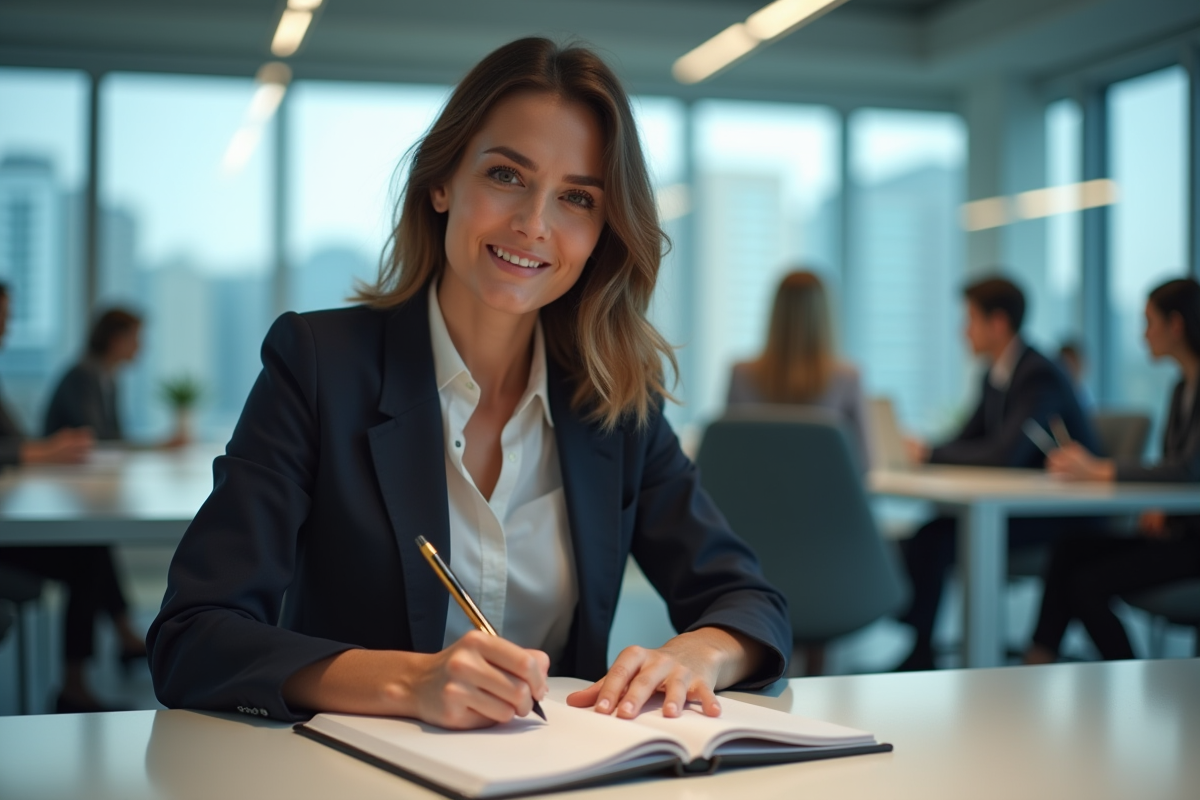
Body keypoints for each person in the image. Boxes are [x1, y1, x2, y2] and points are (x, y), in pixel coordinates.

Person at [148, 38, 790, 729]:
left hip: (555, 767)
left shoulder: (615, 402)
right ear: (442, 182)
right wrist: (409, 683)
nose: (534, 224)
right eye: (507, 175)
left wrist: (700, 652)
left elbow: (749, 601)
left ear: (603, 231)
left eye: (577, 198)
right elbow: (193, 637)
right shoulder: (319, 365)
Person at [896, 276, 1099, 671]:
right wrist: (928, 451)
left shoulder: (1038, 373)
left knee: (940, 539)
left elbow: (1006, 454)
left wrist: (933, 453)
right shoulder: (996, 374)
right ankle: (920, 648)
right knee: (930, 534)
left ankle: (931, 654)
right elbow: (968, 439)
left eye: (970, 319)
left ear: (998, 323)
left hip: (1063, 516)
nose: (963, 331)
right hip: (1018, 507)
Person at [1026, 277, 1200, 663]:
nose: (1143, 335)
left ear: (1176, 324)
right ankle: (1037, 658)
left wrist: (1099, 470)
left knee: (1086, 584)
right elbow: (1175, 466)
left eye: (1149, 322)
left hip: (1194, 544)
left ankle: (1128, 674)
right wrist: (1163, 506)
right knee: (1070, 547)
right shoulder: (1181, 388)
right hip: (1178, 533)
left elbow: (1189, 471)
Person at [0, 282, 147, 712]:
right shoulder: (85, 375)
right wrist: (39, 451)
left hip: (17, 511)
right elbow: (81, 441)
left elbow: (20, 440)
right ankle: (78, 681)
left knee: (91, 546)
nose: (7, 330)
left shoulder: (101, 378)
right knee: (87, 551)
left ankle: (107, 652)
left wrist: (35, 450)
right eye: (2, 320)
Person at [727, 270, 872, 470]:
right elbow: (864, 463)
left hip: (755, 487)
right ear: (825, 315)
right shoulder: (847, 378)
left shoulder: (741, 374)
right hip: (825, 489)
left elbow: (728, 452)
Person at [43, 308, 142, 441]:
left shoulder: (109, 378)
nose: (139, 346)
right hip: (66, 454)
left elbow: (115, 435)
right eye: (134, 338)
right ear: (115, 340)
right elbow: (94, 434)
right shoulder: (82, 375)